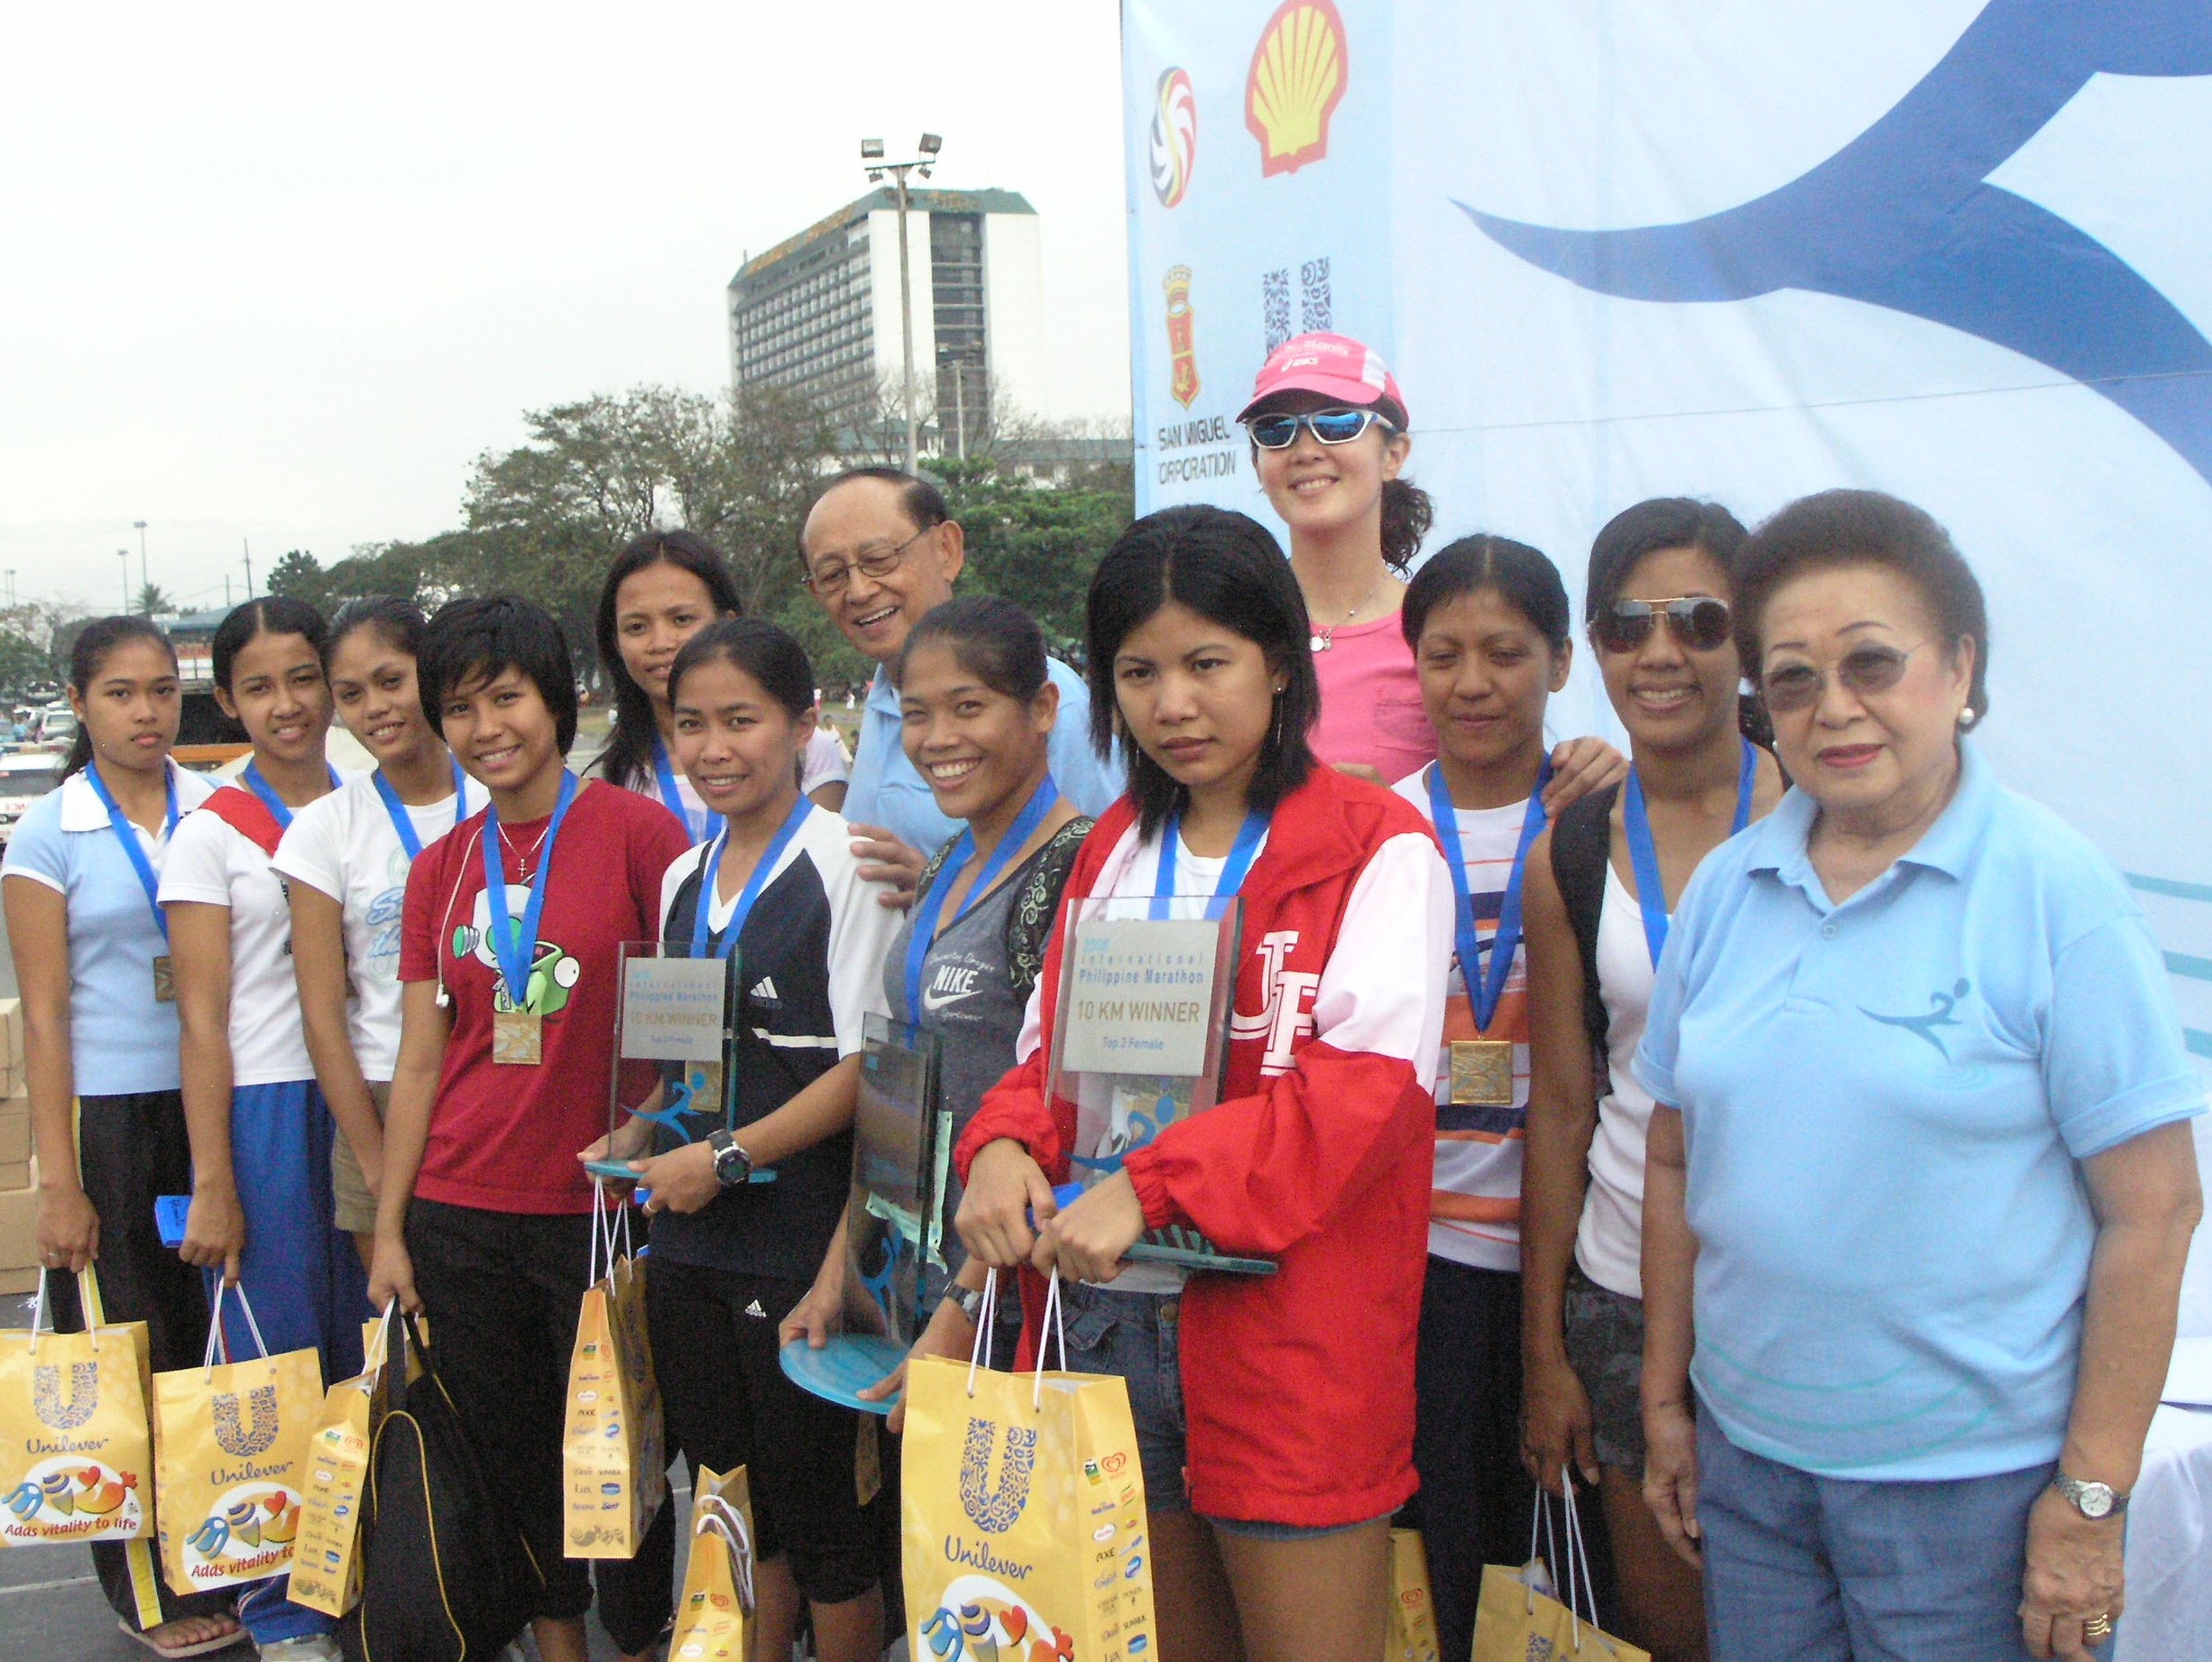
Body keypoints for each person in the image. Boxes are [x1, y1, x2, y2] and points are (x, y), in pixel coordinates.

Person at [1636, 490, 2204, 1662]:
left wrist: (2090, 1500)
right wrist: (1663, 1404)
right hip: (1751, 1474)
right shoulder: (1726, 897)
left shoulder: (2057, 896)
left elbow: (2154, 1211)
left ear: (1959, 667)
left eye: (1873, 663)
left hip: (1971, 1498)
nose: (1834, 707)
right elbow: (1674, 1156)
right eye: (1792, 678)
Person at [955, 504, 1454, 1662]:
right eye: (1138, 672)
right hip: (1101, 1322)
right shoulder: (1113, 848)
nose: (1173, 704)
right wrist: (997, 1148)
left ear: (1280, 664)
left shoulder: (1377, 847)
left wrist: (1154, 1186)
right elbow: (1045, 1060)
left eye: (1207, 664)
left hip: (1284, 1339)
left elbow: (1357, 1104)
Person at [367, 596, 691, 1662]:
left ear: (556, 699)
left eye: (504, 697)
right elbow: (422, 1058)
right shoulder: (443, 865)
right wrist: (391, 1226)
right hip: (462, 1211)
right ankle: (557, 1646)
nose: (483, 727)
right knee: (510, 1457)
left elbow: (693, 1030)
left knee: (621, 1456)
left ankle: (636, 1639)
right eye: (457, 707)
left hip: (596, 1213)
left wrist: (643, 1131)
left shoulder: (641, 835)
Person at [585, 618, 899, 1662]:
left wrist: (722, 1159)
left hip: (799, 1241)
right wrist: (639, 1128)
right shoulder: (685, 875)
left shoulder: (846, 865)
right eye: (689, 725)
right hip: (688, 1242)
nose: (713, 748)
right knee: (728, 1490)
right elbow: (690, 1063)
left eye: (741, 721)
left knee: (825, 1522)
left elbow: (867, 1074)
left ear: (806, 725)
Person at [1516, 500, 1785, 1662]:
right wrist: (1544, 1351)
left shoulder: (1826, 816)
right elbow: (1564, 1111)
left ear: (1749, 637)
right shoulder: (1571, 851)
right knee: (1668, 1632)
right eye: (1627, 623)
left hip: (1789, 1295)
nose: (1661, 651)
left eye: (1698, 618)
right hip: (1622, 1289)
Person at [1387, 534, 1646, 1662]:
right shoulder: (1378, 831)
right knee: (1447, 1568)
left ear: (1557, 663)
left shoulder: (1605, 825)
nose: (1474, 683)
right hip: (1422, 1264)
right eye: (1443, 655)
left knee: (1587, 1582)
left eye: (1505, 653)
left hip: (1577, 1261)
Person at [782, 595, 1094, 1421]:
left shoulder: (1077, 875)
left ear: (1042, 709)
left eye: (970, 707)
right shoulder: (951, 861)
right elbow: (899, 1092)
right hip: (910, 1292)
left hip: (1016, 1304)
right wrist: (837, 1273)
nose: (939, 740)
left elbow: (1062, 1128)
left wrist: (960, 1321)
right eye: (917, 715)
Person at [1, 618, 237, 1660]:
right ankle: (147, 1587)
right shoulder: (49, 832)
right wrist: (59, 1181)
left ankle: (239, 1550)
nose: (147, 713)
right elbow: (44, 1018)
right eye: (121, 695)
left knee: (219, 1336)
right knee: (126, 1348)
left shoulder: (218, 809)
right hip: (110, 1117)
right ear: (82, 703)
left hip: (216, 1098)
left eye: (161, 692)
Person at [158, 597, 366, 1662]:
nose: (287, 705)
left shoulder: (375, 807)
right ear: (229, 699)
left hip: (372, 1098)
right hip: (265, 1113)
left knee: (373, 1355)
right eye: (259, 686)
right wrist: (213, 1179)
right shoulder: (206, 834)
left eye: (303, 678)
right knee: (277, 1362)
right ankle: (284, 1608)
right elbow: (202, 1021)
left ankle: (391, 1574)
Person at [798, 466, 1121, 903]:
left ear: (947, 550)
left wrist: (949, 890)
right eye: (833, 575)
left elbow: (1112, 870)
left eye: (878, 560)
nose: (858, 591)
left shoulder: (1040, 699)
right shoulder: (882, 695)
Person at [276, 596, 484, 1270]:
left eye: (392, 681)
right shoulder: (324, 828)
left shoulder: (495, 795)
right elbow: (322, 1012)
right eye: (352, 694)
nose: (376, 709)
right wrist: (370, 1152)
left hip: (497, 1079)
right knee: (405, 1328)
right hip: (383, 1088)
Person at [593, 529, 848, 834]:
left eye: (681, 620)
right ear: (616, 642)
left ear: (727, 623)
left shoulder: (802, 749)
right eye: (637, 627)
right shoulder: (615, 773)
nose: (660, 643)